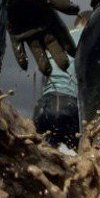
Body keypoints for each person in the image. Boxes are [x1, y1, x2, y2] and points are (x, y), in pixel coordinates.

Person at [33, 10, 90, 148]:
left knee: (41, 159)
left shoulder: (57, 40)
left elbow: (38, 75)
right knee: (86, 161)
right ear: (90, 24)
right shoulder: (89, 38)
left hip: (44, 106)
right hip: (69, 106)